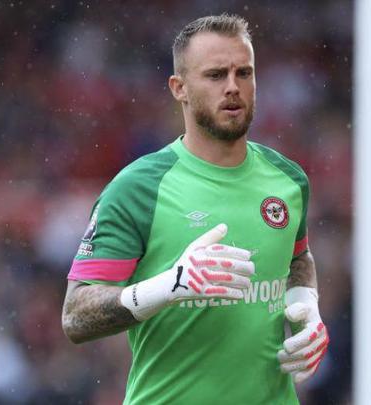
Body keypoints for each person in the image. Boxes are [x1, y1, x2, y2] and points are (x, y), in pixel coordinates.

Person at [61, 14, 328, 404]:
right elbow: (75, 316)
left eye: (244, 73)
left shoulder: (288, 180)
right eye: (216, 75)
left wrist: (306, 304)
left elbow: (298, 256)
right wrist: (168, 287)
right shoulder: (138, 188)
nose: (233, 86)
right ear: (179, 88)